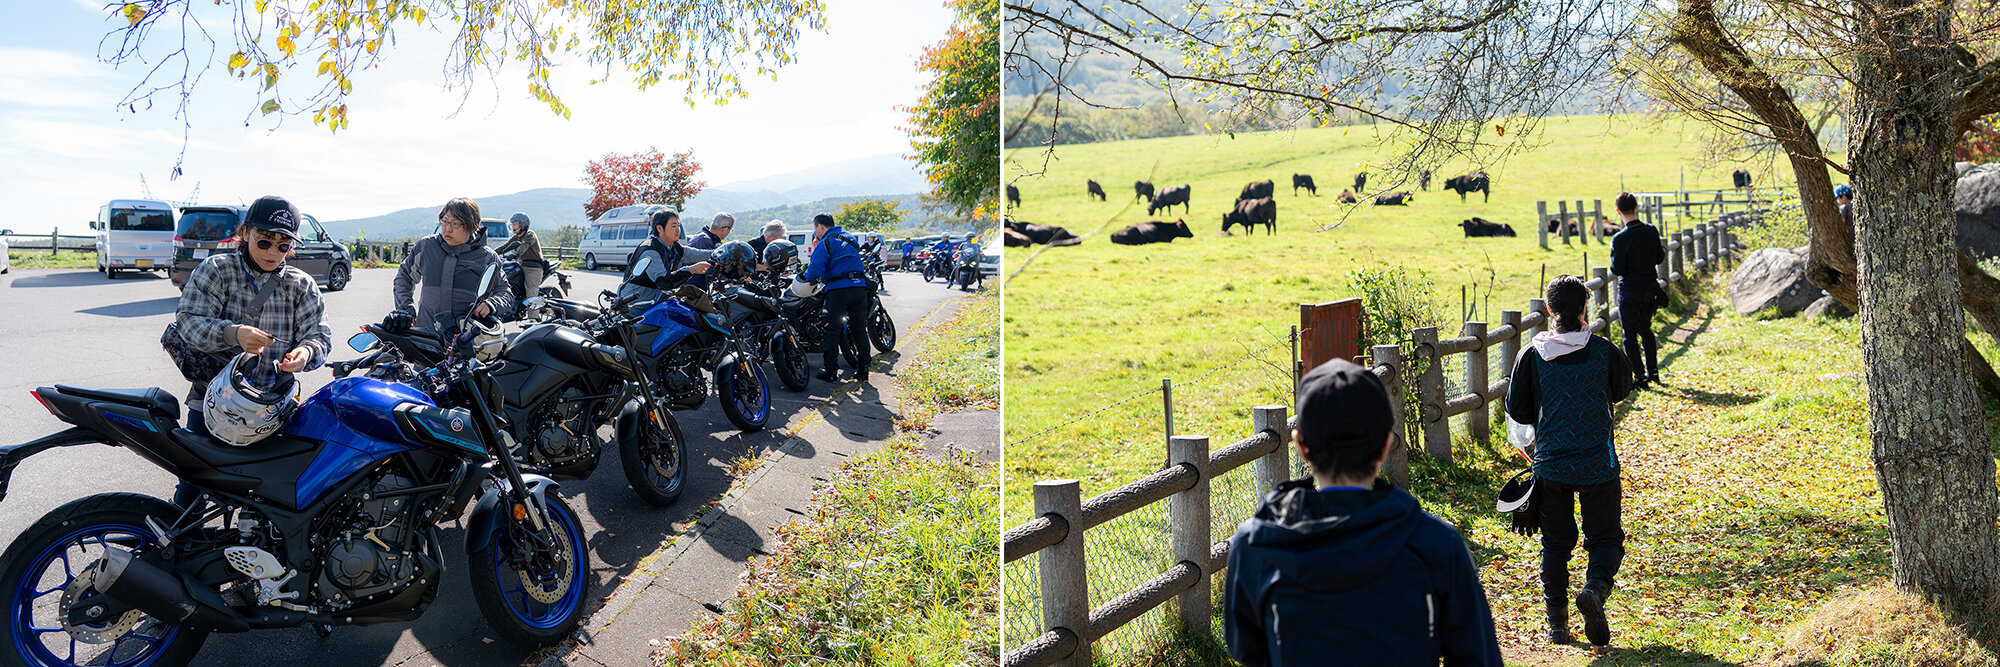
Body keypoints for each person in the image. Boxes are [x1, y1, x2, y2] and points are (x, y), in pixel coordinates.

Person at [1224, 359, 1503, 667]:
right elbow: (1477, 657)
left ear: (1300, 445)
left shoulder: (1257, 544)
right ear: (1386, 444)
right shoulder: (1436, 544)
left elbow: (1246, 649)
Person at [173, 196, 332, 501]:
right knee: (192, 487)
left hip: (271, 410)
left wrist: (306, 353)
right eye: (265, 242)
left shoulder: (301, 284)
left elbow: (320, 336)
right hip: (211, 401)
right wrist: (233, 333)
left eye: (283, 245)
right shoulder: (217, 269)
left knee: (267, 494)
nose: (274, 252)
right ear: (245, 233)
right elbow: (188, 322)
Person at [1505, 276, 1633, 648]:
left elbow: (1516, 407)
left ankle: (1557, 627)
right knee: (1606, 538)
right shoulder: (1605, 351)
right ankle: (1593, 590)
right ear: (1584, 310)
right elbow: (1623, 389)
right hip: (1599, 463)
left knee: (1556, 543)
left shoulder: (1531, 354)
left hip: (1551, 464)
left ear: (1549, 310)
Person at [390, 197, 513, 332]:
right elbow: (404, 277)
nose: (448, 229)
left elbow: (504, 291)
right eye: (445, 221)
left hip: (465, 338)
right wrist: (406, 310)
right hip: (426, 332)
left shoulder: (487, 257)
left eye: (455, 223)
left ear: (472, 225)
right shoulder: (426, 246)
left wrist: (491, 304)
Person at [800, 213, 873, 383]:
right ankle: (863, 369)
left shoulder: (825, 241)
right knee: (860, 330)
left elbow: (815, 269)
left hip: (839, 290)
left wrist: (805, 277)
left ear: (820, 226)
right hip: (860, 288)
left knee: (832, 330)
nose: (815, 231)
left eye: (815, 228)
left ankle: (831, 371)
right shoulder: (849, 237)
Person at [1608, 192, 1665, 388]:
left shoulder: (1619, 239)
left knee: (1629, 334)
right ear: (1636, 208)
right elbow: (1659, 258)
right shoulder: (1651, 231)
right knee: (1646, 330)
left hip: (1629, 291)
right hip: (1649, 289)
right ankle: (1654, 372)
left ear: (1618, 211)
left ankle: (1639, 376)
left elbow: (1617, 269)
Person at [617, 208, 714, 304]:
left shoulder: (674, 247)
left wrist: (723, 252)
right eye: (673, 226)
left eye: (678, 226)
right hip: (635, 305)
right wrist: (691, 270)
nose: (677, 230)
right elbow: (663, 282)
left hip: (654, 300)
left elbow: (699, 254)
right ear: (659, 228)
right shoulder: (650, 250)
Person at [494, 211, 546, 295]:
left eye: (515, 224)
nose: (513, 226)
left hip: (533, 268)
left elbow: (524, 245)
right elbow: (506, 246)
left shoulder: (530, 234)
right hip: (522, 266)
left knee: (530, 295)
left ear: (522, 224)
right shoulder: (516, 236)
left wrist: (516, 254)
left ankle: (534, 308)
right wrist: (492, 252)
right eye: (512, 224)